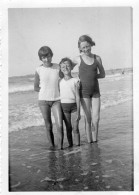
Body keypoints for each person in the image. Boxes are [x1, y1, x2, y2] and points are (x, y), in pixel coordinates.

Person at [72, 35, 105, 143]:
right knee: (88, 118)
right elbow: (66, 68)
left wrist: (92, 76)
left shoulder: (97, 58)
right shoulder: (78, 58)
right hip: (84, 93)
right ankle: (90, 142)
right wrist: (73, 80)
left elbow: (103, 74)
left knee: (96, 118)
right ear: (80, 48)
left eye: (88, 46)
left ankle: (95, 141)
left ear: (91, 44)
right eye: (83, 47)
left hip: (95, 92)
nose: (86, 49)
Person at [34, 46, 64, 150]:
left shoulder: (58, 67)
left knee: (60, 125)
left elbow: (65, 79)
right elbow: (36, 87)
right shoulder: (38, 69)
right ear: (41, 58)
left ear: (51, 55)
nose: (46, 59)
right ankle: (52, 148)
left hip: (57, 100)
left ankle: (60, 149)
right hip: (43, 101)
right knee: (48, 126)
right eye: (43, 57)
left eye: (48, 56)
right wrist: (45, 92)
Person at [59, 57, 81, 147]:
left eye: (68, 66)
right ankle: (70, 146)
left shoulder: (76, 81)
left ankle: (77, 146)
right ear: (60, 69)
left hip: (74, 108)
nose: (66, 68)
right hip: (64, 108)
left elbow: (78, 97)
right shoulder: (59, 82)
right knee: (68, 128)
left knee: (75, 128)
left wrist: (79, 112)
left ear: (72, 67)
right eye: (63, 67)